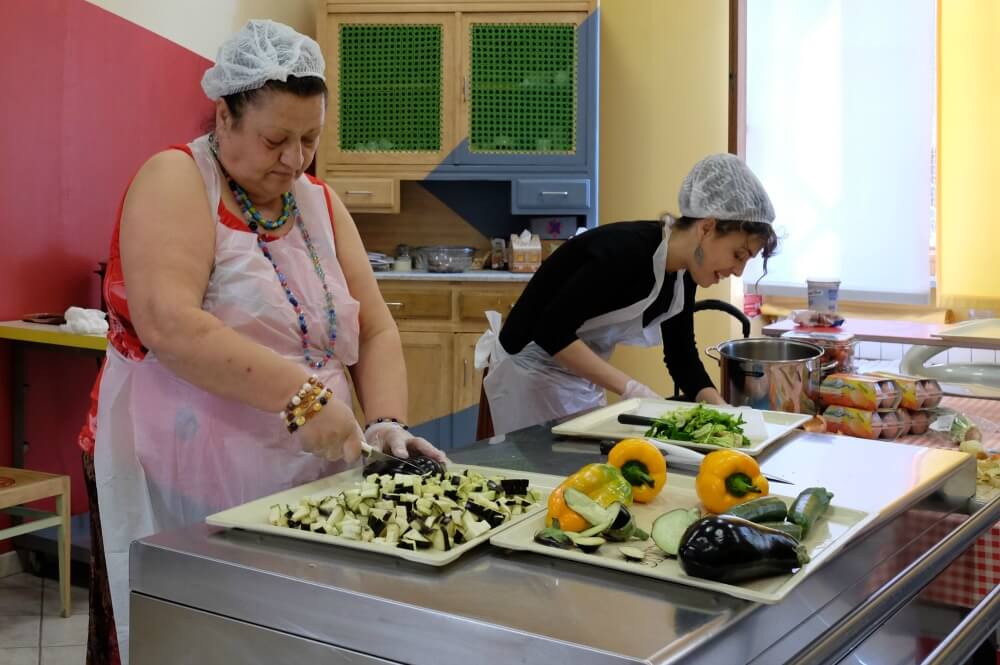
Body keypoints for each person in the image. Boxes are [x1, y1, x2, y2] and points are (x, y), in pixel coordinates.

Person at [77, 20, 446, 665]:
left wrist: (385, 420)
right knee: (202, 637)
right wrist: (301, 398)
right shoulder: (176, 178)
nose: (295, 159)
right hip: (184, 474)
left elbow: (377, 326)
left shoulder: (319, 203)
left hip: (308, 465)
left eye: (310, 139)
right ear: (224, 117)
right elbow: (171, 325)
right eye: (276, 138)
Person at [478, 153, 779, 436]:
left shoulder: (682, 275)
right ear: (707, 228)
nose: (738, 271)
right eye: (738, 254)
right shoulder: (626, 252)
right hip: (528, 375)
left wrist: (721, 410)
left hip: (576, 379)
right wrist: (631, 389)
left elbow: (682, 357)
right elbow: (552, 331)